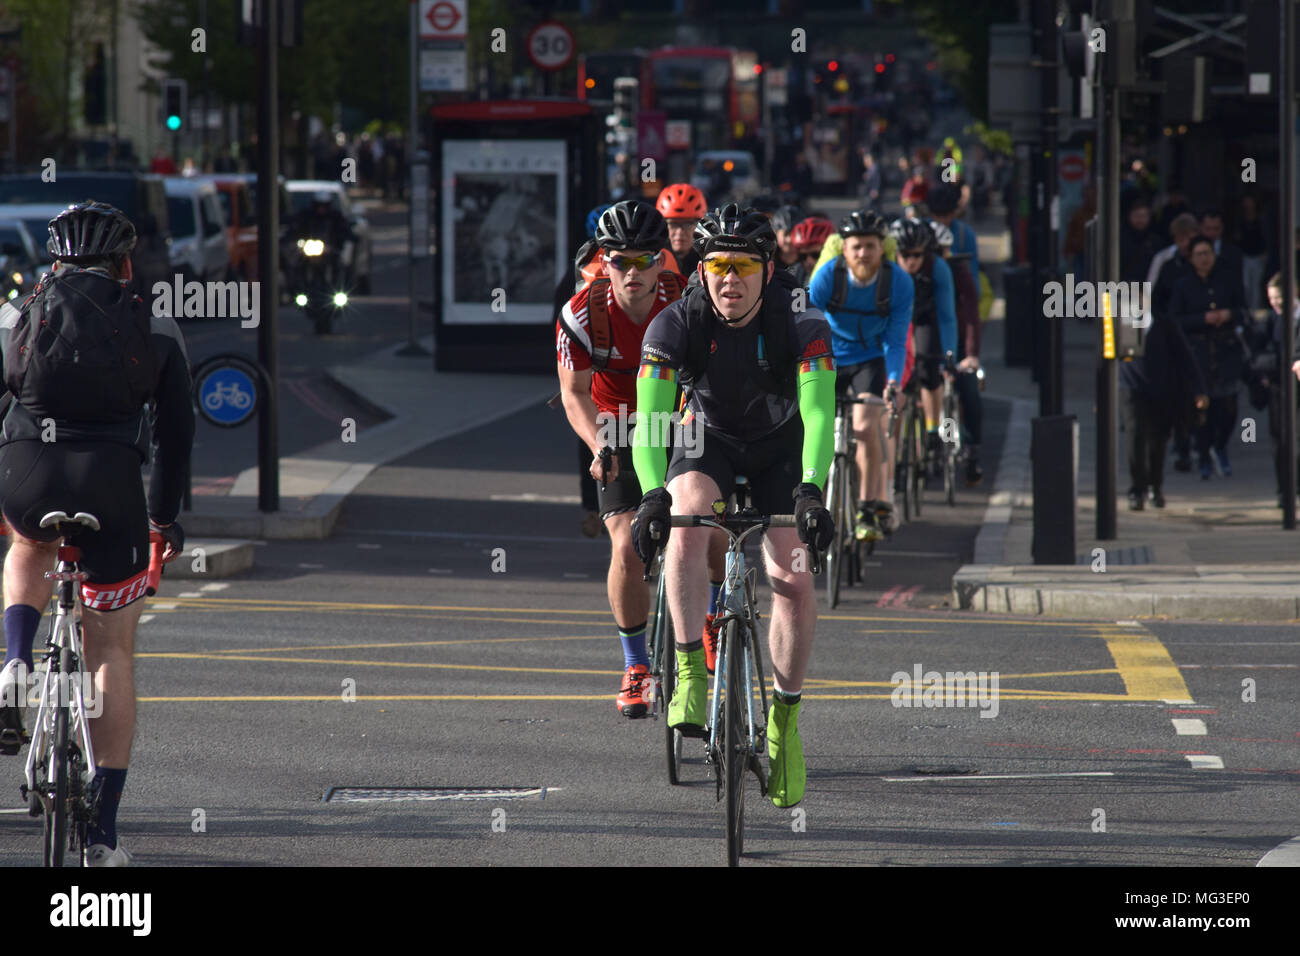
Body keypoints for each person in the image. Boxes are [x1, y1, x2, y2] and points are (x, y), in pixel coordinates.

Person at [0, 201, 193, 866]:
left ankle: (15, 661)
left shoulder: (16, 315)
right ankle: (104, 834)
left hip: (29, 475)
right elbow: (176, 437)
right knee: (111, 651)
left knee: (27, 544)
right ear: (126, 263)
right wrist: (165, 519)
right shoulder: (157, 321)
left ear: (53, 262)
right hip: (112, 490)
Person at [629, 203, 836, 808]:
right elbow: (650, 423)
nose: (729, 277)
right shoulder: (675, 321)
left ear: (767, 271)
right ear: (702, 268)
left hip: (782, 447)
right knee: (687, 515)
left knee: (791, 579)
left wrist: (811, 489)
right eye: (717, 263)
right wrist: (649, 496)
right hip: (708, 441)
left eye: (744, 265)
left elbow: (821, 410)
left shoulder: (801, 318)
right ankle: (691, 664)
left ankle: (785, 725)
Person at [555, 201, 686, 720]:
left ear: (663, 261)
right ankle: (636, 666)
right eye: (620, 261)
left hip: (680, 419)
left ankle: (712, 625)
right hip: (617, 426)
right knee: (629, 545)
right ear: (603, 261)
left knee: (709, 531)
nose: (632, 272)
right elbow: (573, 394)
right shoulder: (581, 313)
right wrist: (599, 446)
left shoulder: (689, 300)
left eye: (644, 260)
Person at [809, 211, 913, 542]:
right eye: (856, 247)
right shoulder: (827, 276)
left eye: (870, 246)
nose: (863, 254)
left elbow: (896, 340)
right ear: (844, 249)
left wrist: (894, 380)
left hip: (870, 360)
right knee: (815, 423)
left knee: (867, 426)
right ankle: (811, 498)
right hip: (828, 357)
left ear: (882, 248)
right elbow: (806, 324)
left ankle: (867, 507)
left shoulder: (898, 281)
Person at [1169, 236, 1248, 480]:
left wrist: (1228, 314)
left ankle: (1220, 445)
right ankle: (1204, 455)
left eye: (1207, 253)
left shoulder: (1228, 280)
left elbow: (1244, 311)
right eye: (1199, 254)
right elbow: (1175, 320)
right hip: (1198, 353)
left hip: (1226, 351)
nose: (1204, 258)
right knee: (1202, 409)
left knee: (1228, 407)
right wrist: (1202, 319)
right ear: (1191, 259)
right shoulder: (1183, 285)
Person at [890, 218, 958, 483]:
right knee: (900, 383)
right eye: (905, 255)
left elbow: (947, 315)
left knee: (929, 366)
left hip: (926, 317)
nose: (911, 261)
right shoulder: (889, 270)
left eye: (917, 255)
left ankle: (932, 430)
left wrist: (949, 354)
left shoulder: (938, 268)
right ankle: (894, 455)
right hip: (898, 320)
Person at [1119, 308, 1208, 509]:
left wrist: (1198, 390)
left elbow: (1185, 357)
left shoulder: (1164, 324)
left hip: (1162, 390)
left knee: (1157, 440)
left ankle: (1155, 485)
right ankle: (1137, 488)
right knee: (1135, 435)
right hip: (1130, 389)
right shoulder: (1121, 322)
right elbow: (1106, 358)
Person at [928, 219, 984, 484]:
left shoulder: (959, 271)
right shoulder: (920, 272)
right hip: (929, 340)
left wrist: (971, 354)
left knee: (967, 389)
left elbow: (972, 313)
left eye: (944, 252)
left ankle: (972, 450)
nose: (941, 258)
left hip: (959, 341)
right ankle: (927, 445)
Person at [1147, 213, 1202, 471]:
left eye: (1189, 237)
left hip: (1198, 334)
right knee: (1180, 394)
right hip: (1172, 333)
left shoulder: (1202, 259)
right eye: (1181, 238)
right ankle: (1182, 446)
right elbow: (1151, 294)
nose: (1185, 243)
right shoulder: (1165, 262)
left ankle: (1195, 442)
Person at [1254, 274, 1300, 506]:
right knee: (1281, 440)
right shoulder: (1271, 321)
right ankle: (1286, 489)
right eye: (1271, 298)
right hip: (1279, 388)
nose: (1275, 303)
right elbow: (1257, 353)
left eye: (1279, 298)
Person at [656, 183, 708, 277]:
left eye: (688, 224)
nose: (680, 232)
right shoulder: (653, 260)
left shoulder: (708, 261)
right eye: (673, 224)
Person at [1237, 195, 1268, 313]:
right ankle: (1247, 312)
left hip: (1258, 256)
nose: (1248, 203)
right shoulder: (1241, 219)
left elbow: (1265, 237)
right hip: (1245, 256)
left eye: (1250, 200)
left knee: (1256, 287)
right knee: (1246, 285)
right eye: (1246, 200)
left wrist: (1266, 253)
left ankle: (1256, 313)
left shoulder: (1260, 219)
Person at [787, 217, 834, 287]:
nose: (809, 261)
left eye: (816, 255)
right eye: (802, 256)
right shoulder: (793, 276)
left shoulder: (844, 276)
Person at [771, 205, 805, 270]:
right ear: (776, 234)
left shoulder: (809, 260)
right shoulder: (768, 263)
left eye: (794, 234)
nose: (789, 240)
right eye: (786, 234)